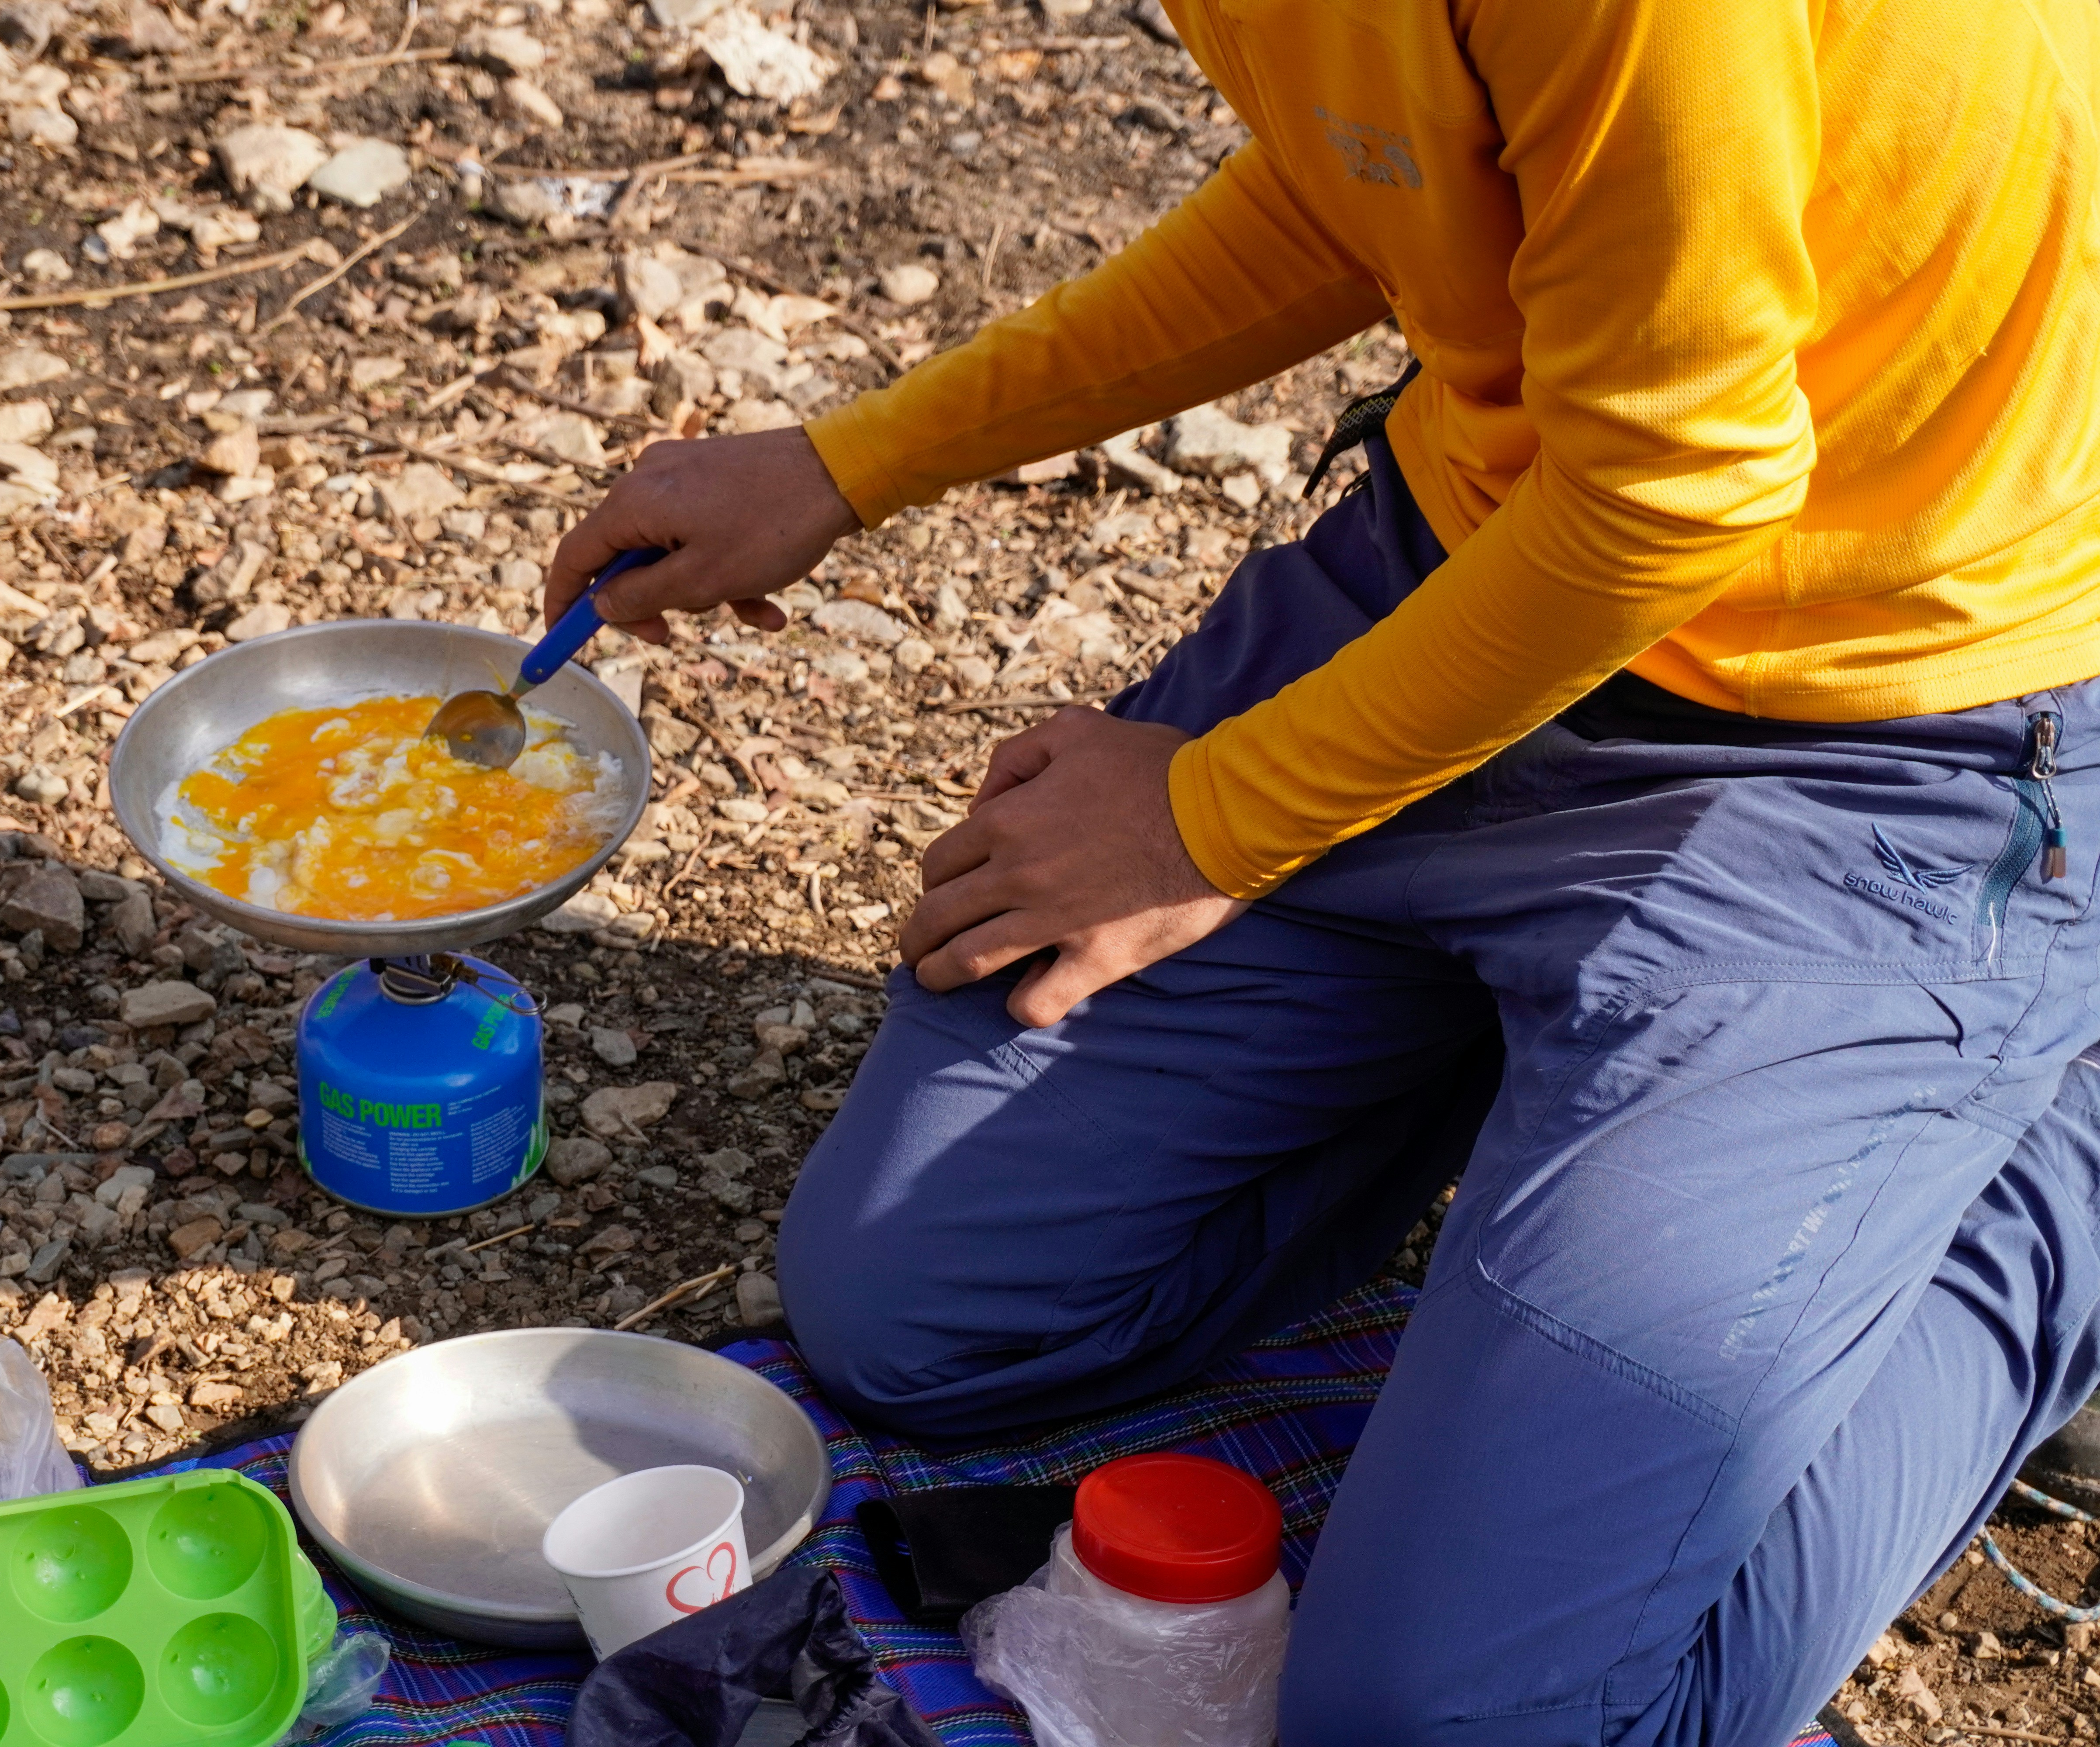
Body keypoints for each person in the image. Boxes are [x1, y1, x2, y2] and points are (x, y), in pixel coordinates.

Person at [546, 0, 2100, 1737]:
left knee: (1456, 1723)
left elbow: (1681, 489)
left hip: (1879, 748)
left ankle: (2048, 1174)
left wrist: (1211, 819)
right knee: (927, 1316)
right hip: (1476, 580)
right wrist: (854, 462)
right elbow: (1364, 185)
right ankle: (1549, 1076)